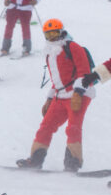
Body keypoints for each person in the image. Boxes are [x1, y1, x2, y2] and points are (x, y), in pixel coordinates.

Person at [16, 19, 93, 172]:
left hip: (80, 94)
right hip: (60, 95)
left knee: (73, 128)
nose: (52, 37)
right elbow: (57, 79)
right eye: (48, 34)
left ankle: (73, 163)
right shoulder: (50, 53)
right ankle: (35, 160)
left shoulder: (73, 47)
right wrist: (49, 98)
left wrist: (78, 93)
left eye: (55, 33)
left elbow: (84, 72)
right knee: (46, 126)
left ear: (61, 32)